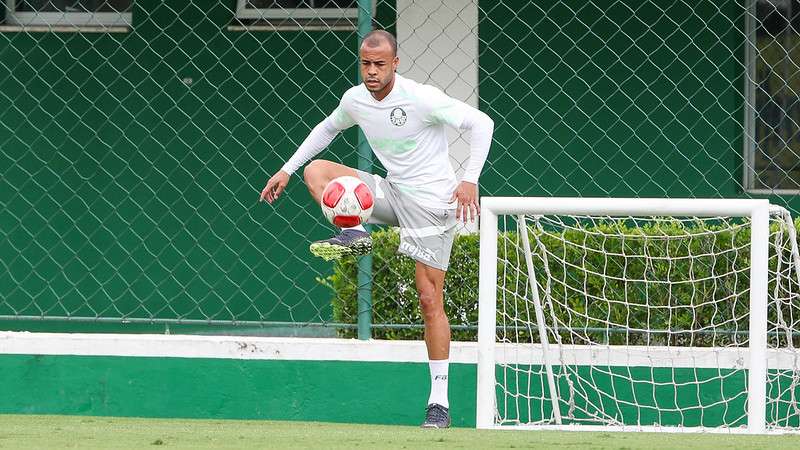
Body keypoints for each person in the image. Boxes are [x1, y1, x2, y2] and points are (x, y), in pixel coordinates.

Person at [260, 29, 494, 428]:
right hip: (390, 192)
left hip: (434, 205)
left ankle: (438, 402)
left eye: (379, 65)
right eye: (365, 64)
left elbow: (481, 123)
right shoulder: (355, 99)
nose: (371, 72)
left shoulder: (421, 98)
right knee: (317, 172)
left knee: (427, 297)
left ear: (395, 64)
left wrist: (469, 178)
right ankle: (354, 233)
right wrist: (287, 168)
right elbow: (327, 129)